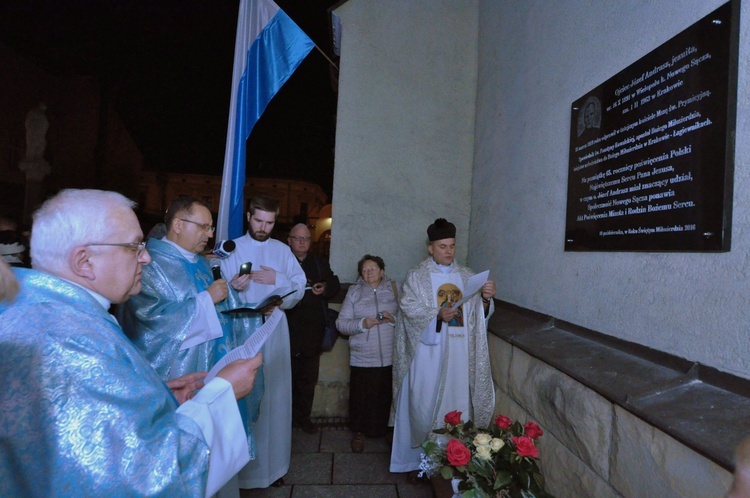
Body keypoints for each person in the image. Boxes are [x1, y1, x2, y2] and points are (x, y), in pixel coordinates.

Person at [0, 189, 263, 497]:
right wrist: (222, 392)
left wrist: (160, 394)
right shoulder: (72, 345)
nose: (146, 256)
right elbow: (148, 477)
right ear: (84, 262)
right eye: (133, 246)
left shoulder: (51, 311)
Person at [117, 197, 264, 496]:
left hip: (213, 366)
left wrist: (235, 298)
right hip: (181, 375)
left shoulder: (200, 262)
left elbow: (222, 307)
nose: (210, 235)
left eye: (210, 228)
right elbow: (150, 319)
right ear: (179, 225)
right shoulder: (151, 263)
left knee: (218, 453)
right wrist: (207, 299)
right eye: (204, 226)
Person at [389, 218, 496, 477]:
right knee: (422, 405)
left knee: (458, 402)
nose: (448, 251)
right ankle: (418, 464)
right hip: (429, 353)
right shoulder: (417, 276)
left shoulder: (469, 276)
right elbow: (408, 309)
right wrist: (436, 315)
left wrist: (484, 299)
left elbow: (476, 319)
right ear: (430, 248)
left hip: (460, 354)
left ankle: (455, 463)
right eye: (442, 246)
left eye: (452, 246)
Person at [221, 195, 306, 489]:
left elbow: (299, 287)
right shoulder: (232, 249)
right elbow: (217, 289)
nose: (263, 227)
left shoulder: (282, 251)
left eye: (270, 222)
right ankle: (241, 474)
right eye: (259, 220)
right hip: (241, 330)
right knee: (244, 396)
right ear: (248, 217)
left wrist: (278, 281)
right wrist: (233, 287)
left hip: (273, 328)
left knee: (275, 397)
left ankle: (273, 468)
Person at [336, 254, 399, 453]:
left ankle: (384, 431)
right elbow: (341, 324)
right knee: (360, 397)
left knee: (386, 395)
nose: (369, 272)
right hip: (362, 356)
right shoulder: (354, 292)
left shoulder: (394, 289)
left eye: (373, 268)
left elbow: (408, 320)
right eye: (365, 270)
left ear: (382, 271)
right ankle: (359, 432)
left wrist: (393, 318)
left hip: (389, 354)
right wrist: (363, 324)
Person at [285, 223, 340, 434]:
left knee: (308, 380)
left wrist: (325, 287)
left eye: (306, 238)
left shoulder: (318, 262)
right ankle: (285, 419)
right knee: (286, 379)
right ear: (289, 240)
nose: (301, 242)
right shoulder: (282, 261)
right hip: (287, 330)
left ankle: (303, 418)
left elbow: (333, 282)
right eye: (297, 238)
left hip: (312, 332)